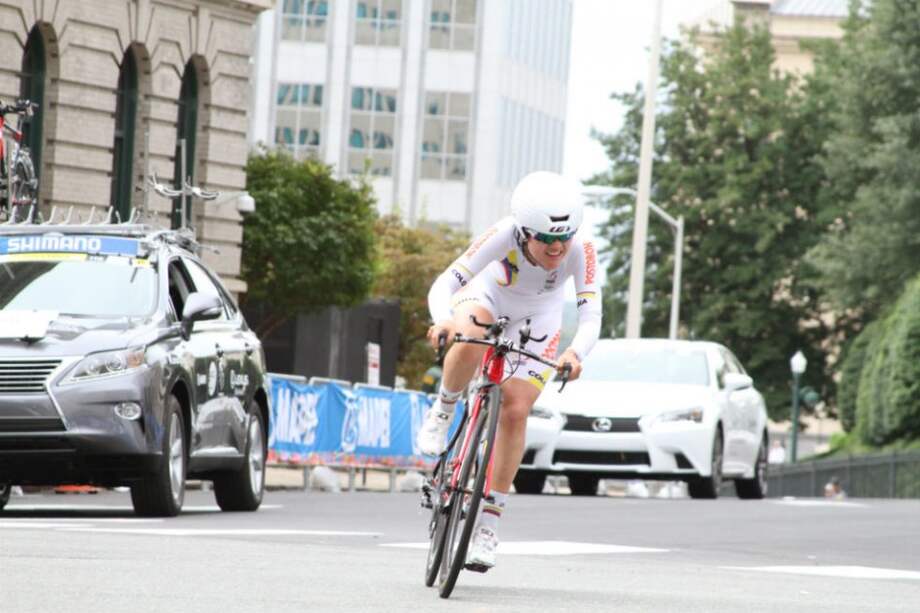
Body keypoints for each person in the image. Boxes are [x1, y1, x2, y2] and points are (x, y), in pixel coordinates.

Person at [416, 170, 602, 570]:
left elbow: (590, 317)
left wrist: (574, 353)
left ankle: (487, 525)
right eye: (546, 238)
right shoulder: (502, 234)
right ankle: (443, 411)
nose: (557, 247)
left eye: (563, 237)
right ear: (523, 232)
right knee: (470, 334)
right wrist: (443, 319)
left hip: (540, 315)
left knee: (516, 409)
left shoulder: (581, 248)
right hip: (488, 294)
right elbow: (444, 283)